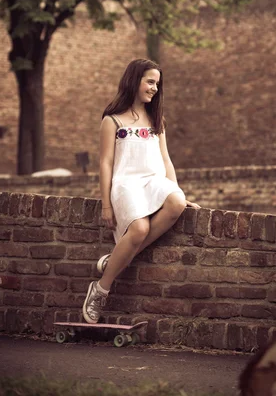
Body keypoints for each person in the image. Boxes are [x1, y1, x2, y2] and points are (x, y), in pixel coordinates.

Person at [82, 58, 200, 324]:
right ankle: (101, 289)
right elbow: (105, 163)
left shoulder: (157, 120)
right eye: (150, 82)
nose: (154, 88)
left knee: (177, 203)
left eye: (157, 84)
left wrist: (176, 189)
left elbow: (166, 159)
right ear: (134, 81)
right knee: (138, 230)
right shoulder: (112, 121)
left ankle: (116, 257)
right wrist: (106, 205)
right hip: (126, 183)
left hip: (153, 180)